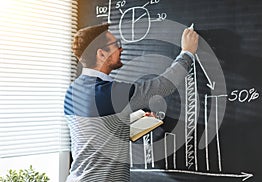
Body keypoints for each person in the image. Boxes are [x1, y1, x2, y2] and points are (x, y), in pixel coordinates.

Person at [64, 23, 199, 181]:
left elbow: (97, 134)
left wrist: (136, 122)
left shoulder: (73, 91)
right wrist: (187, 52)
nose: (121, 49)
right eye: (116, 45)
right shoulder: (110, 93)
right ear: (101, 54)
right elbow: (163, 86)